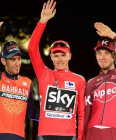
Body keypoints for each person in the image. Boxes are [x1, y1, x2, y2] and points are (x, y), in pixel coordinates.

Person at [28, 0, 86, 140]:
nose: (59, 59)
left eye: (63, 55)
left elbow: (82, 112)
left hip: (69, 135)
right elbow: (31, 48)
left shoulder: (79, 80)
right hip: (45, 135)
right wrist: (42, 22)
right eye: (56, 55)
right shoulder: (44, 73)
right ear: (51, 57)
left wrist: (81, 137)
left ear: (69, 56)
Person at [0, 11, 39, 140]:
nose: (18, 63)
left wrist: (53, 114)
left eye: (18, 59)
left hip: (19, 137)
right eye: (13, 60)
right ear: (3, 61)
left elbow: (31, 112)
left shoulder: (28, 82)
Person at [84, 22, 116, 140]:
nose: (102, 57)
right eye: (99, 53)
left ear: (114, 56)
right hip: (91, 132)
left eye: (106, 53)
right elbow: (86, 114)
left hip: (113, 132)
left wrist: (113, 36)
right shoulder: (91, 83)